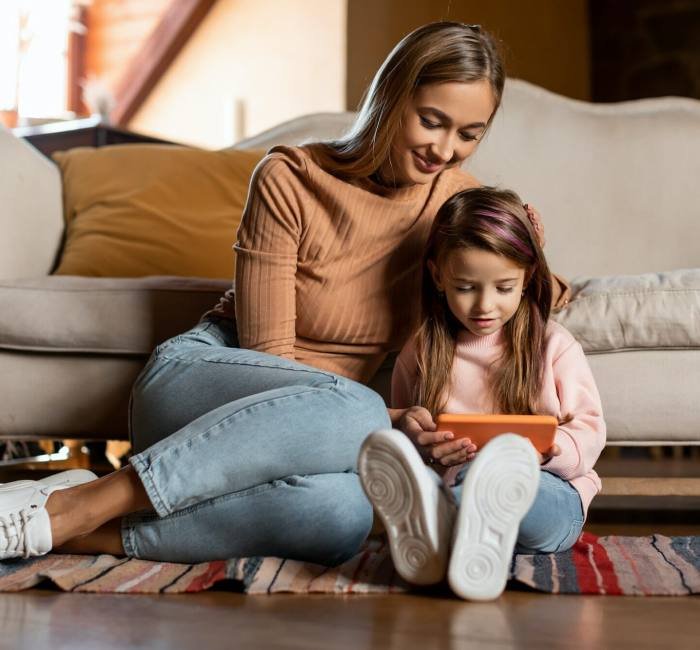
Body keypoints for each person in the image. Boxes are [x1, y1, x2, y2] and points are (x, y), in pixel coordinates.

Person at [0, 23, 567, 564]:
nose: (445, 149)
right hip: (209, 383)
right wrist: (383, 420)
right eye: (432, 121)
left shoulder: (455, 202)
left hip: (322, 433)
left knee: (343, 514)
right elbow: (267, 355)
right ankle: (82, 505)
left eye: (469, 134)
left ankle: (79, 537)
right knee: (361, 410)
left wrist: (531, 246)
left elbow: (525, 287)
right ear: (393, 98)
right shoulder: (290, 178)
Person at [358, 186, 605, 601]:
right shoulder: (421, 352)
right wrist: (421, 444)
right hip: (454, 482)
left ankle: (444, 530)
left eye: (503, 288)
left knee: (496, 479)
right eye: (466, 287)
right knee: (461, 480)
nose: (484, 306)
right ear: (438, 277)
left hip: (547, 492)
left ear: (527, 278)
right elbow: (411, 428)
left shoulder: (554, 345)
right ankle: (456, 528)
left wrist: (543, 451)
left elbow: (591, 431)